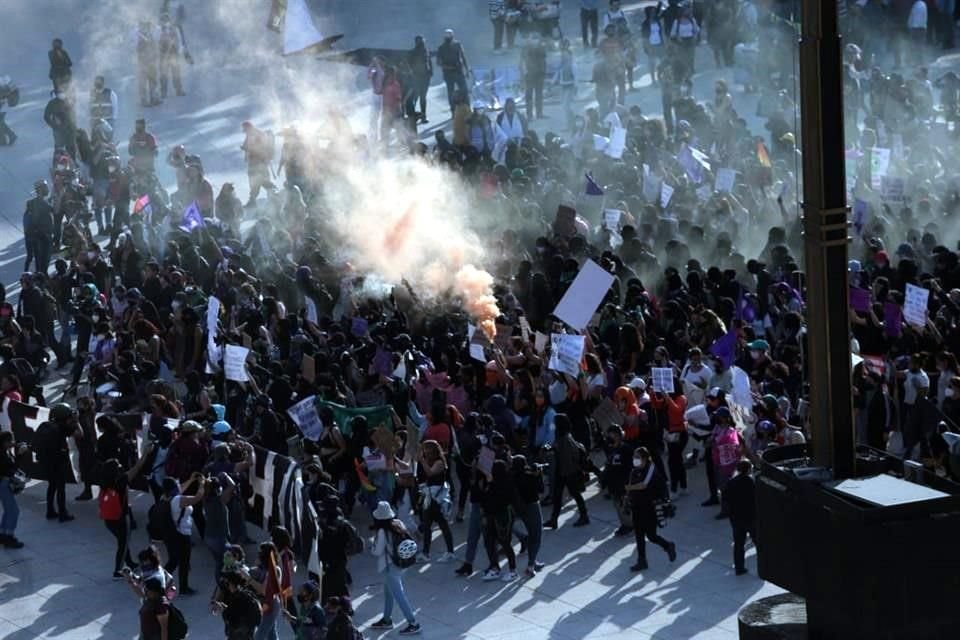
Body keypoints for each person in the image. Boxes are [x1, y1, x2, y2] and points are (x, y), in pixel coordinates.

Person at [369, 501, 422, 635]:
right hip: (401, 564)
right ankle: (386, 620)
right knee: (389, 593)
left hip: (390, 567)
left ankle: (413, 623)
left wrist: (372, 544)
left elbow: (377, 551)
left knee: (399, 595)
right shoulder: (398, 523)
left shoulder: (382, 531)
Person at [100, 450, 154, 578]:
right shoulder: (121, 480)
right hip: (121, 518)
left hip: (109, 519)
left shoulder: (104, 482)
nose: (120, 466)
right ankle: (117, 571)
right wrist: (146, 453)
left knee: (123, 541)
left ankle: (130, 563)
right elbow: (137, 467)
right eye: (118, 465)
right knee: (123, 544)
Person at [625, 446, 677, 571]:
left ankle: (668, 546)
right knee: (639, 535)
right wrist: (628, 498)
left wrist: (629, 488)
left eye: (637, 457)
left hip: (650, 508)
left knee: (651, 536)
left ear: (644, 458)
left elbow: (643, 485)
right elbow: (631, 485)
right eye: (634, 457)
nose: (634, 459)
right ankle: (642, 561)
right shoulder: (634, 471)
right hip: (637, 507)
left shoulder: (651, 468)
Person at [34, 403, 80, 522]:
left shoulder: (45, 425)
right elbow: (79, 434)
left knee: (52, 486)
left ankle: (50, 511)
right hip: (58, 462)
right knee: (60, 488)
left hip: (46, 461)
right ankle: (62, 513)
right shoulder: (63, 427)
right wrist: (76, 420)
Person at [162, 472, 206, 595]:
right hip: (181, 535)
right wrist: (202, 484)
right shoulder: (178, 500)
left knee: (174, 560)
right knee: (182, 562)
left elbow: (180, 488)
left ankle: (160, 582)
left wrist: (191, 479)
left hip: (171, 534)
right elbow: (197, 498)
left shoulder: (165, 497)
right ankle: (182, 588)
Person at [544, 414, 589, 529]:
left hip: (568, 472)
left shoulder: (565, 438)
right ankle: (554, 520)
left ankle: (584, 516)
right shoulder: (562, 436)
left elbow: (569, 456)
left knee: (575, 494)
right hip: (562, 471)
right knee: (558, 496)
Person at [416, 439, 455, 562]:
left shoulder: (439, 462)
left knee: (443, 525)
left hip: (437, 498)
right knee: (427, 525)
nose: (424, 451)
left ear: (432, 450)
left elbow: (430, 473)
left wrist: (422, 461)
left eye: (426, 449)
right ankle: (426, 553)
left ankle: (449, 552)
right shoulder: (428, 461)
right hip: (429, 496)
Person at [511, 454, 545, 577]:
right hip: (532, 507)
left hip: (520, 509)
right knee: (536, 536)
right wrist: (539, 475)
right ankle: (530, 566)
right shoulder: (529, 477)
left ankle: (533, 560)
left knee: (531, 534)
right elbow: (541, 489)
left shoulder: (512, 477)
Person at [723, 459, 757, 576]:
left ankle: (739, 567)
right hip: (750, 517)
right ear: (748, 470)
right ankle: (765, 565)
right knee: (758, 541)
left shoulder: (731, 482)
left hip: (736, 518)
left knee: (739, 543)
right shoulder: (750, 482)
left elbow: (725, 498)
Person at [213, 569, 263, 640]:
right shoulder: (246, 594)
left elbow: (234, 620)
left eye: (227, 582)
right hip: (247, 634)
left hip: (240, 635)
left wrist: (223, 610)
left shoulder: (238, 599)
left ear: (231, 584)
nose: (225, 584)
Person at [241, 121, 276, 208]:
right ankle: (273, 196)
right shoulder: (251, 135)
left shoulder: (255, 135)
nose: (244, 131)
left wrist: (247, 148)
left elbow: (257, 149)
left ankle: (273, 197)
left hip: (257, 163)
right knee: (260, 182)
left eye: (245, 129)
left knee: (258, 181)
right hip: (257, 163)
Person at [23, 180, 55, 274]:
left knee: (39, 263)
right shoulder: (41, 203)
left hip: (37, 237)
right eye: (45, 187)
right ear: (40, 189)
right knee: (43, 264)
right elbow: (55, 211)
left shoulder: (34, 203)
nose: (47, 189)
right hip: (43, 237)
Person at [436, 29, 470, 115]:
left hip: (458, 71)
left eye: (449, 36)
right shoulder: (441, 48)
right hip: (449, 73)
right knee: (451, 92)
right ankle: (454, 111)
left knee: (464, 91)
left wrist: (467, 69)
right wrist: (448, 67)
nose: (448, 38)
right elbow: (438, 62)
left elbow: (463, 57)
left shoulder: (457, 45)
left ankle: (467, 109)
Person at [0, 431, 24, 548]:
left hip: (2, 484)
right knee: (14, 511)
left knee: (8, 510)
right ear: (5, 442)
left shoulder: (3, 451)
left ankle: (2, 534)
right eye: (10, 441)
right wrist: (19, 455)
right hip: (3, 484)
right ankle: (9, 537)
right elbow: (12, 468)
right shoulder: (2, 454)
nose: (12, 443)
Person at [158, 11, 187, 99]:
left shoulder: (174, 28)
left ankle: (179, 90)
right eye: (163, 20)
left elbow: (180, 40)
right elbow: (155, 41)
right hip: (163, 55)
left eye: (166, 19)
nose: (165, 21)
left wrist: (179, 50)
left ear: (169, 20)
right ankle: (163, 92)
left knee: (176, 73)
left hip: (174, 54)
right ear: (161, 21)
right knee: (163, 74)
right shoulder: (158, 30)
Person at [43, 89, 77, 161]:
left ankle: (73, 162)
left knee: (71, 147)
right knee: (59, 148)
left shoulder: (68, 101)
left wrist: (74, 126)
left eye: (62, 92)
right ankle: (57, 163)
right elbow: (46, 116)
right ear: (56, 94)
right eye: (59, 93)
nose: (61, 94)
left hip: (70, 129)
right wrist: (54, 125)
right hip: (58, 130)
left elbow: (73, 114)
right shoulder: (52, 103)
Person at [135, 20, 161, 106]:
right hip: (143, 63)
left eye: (148, 27)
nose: (147, 29)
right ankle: (144, 100)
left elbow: (155, 47)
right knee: (143, 82)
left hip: (151, 62)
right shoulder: (138, 37)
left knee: (153, 81)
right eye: (145, 27)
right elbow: (138, 50)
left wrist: (155, 56)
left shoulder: (151, 36)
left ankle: (154, 98)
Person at [522, 34, 547, 121]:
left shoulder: (541, 48)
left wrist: (544, 72)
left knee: (539, 95)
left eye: (536, 39)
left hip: (539, 75)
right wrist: (524, 74)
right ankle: (529, 115)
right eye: (533, 39)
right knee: (529, 96)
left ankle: (539, 113)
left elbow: (544, 60)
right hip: (530, 75)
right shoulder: (526, 49)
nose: (535, 41)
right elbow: (523, 62)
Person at [408, 36, 432, 123]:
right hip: (417, 77)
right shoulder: (413, 52)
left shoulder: (426, 51)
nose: (422, 43)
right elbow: (410, 65)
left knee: (422, 97)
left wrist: (430, 72)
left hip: (425, 77)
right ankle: (413, 115)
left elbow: (429, 62)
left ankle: (423, 116)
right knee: (416, 97)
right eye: (421, 42)